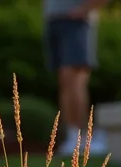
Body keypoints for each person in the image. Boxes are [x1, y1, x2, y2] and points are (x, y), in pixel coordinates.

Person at [43, 0, 111, 156]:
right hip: (54, 21)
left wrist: (84, 9)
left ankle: (86, 136)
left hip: (76, 22)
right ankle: (73, 135)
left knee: (74, 79)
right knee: (65, 82)